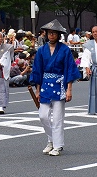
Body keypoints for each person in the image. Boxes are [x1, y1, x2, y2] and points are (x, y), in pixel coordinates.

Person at [29, 20, 81, 156]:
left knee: (57, 118)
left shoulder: (64, 50)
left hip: (60, 84)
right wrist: (37, 89)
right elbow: (37, 70)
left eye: (54, 33)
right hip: (45, 85)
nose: (51, 35)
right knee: (43, 116)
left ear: (58, 35)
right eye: (49, 33)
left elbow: (69, 69)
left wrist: (69, 89)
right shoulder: (41, 51)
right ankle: (51, 140)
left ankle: (57, 146)